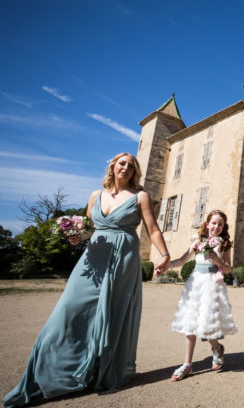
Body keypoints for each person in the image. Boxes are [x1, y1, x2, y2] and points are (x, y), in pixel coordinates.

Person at [3, 153, 171, 407]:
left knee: (113, 315)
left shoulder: (140, 196)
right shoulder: (95, 196)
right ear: (112, 166)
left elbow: (153, 228)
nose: (125, 167)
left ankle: (98, 372)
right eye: (121, 163)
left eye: (130, 165)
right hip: (93, 259)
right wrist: (77, 238)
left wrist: (165, 254)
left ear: (135, 171)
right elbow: (89, 230)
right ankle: (51, 375)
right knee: (69, 310)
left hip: (123, 260)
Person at [167, 210, 238, 381]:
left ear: (223, 227)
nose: (217, 227)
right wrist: (166, 265)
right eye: (214, 223)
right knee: (191, 324)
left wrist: (218, 260)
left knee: (207, 326)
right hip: (196, 283)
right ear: (207, 224)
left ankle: (217, 348)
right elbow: (182, 261)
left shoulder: (224, 244)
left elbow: (228, 269)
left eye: (220, 224)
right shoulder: (198, 242)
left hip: (212, 284)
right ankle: (187, 365)